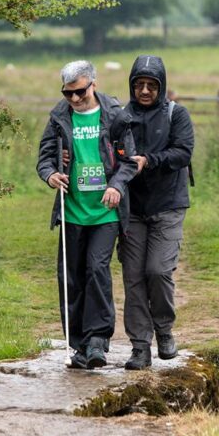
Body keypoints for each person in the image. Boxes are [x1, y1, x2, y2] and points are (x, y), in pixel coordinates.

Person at [37, 60, 137, 369]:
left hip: (105, 212)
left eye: (80, 92)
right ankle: (78, 344)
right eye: (68, 93)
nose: (75, 99)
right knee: (72, 278)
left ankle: (98, 340)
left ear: (93, 84)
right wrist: (51, 175)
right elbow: (44, 159)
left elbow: (129, 161)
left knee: (96, 269)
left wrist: (117, 185)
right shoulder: (58, 118)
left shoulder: (115, 116)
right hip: (72, 211)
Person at [120, 55, 194, 370]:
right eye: (140, 85)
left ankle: (164, 330)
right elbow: (112, 149)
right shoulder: (120, 116)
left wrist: (148, 161)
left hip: (169, 204)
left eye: (152, 85)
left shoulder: (177, 114)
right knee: (133, 277)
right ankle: (140, 347)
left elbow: (182, 152)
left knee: (158, 271)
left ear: (161, 87)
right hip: (132, 207)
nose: (145, 91)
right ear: (132, 86)